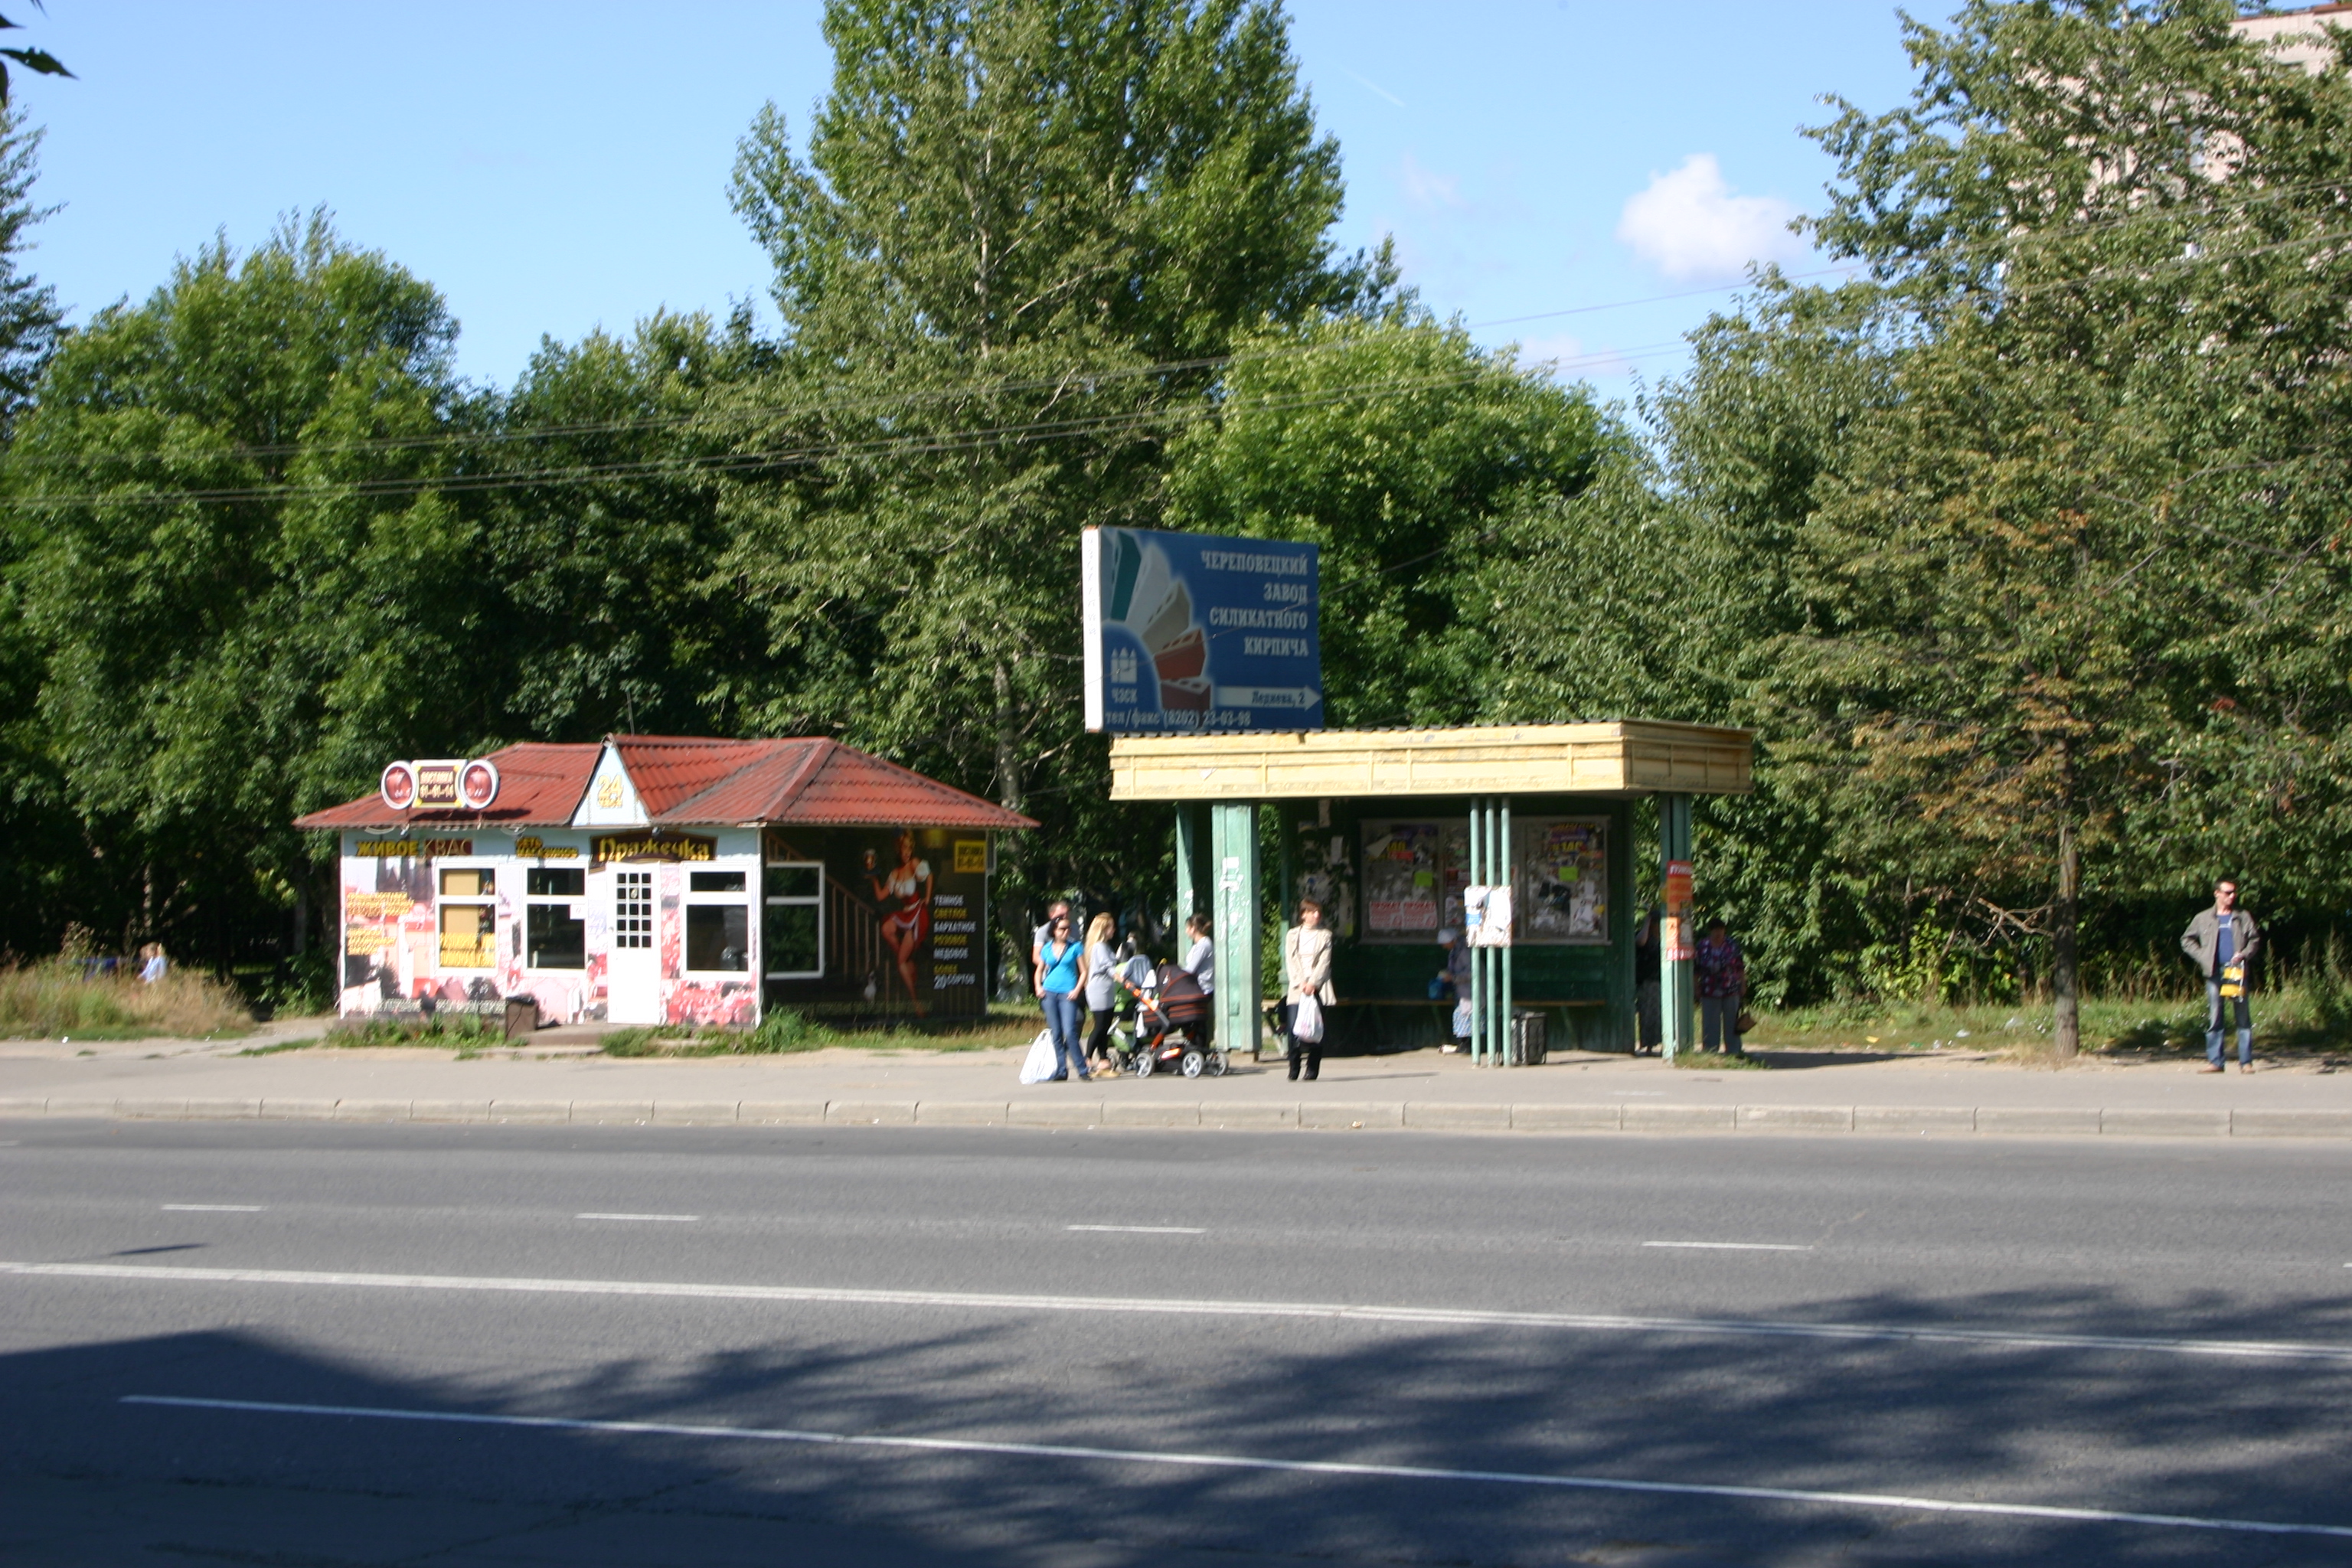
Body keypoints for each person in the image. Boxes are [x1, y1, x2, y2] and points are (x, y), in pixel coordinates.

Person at [2181, 877, 2262, 1073]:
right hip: (2213, 971)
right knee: (2215, 1017)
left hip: (2236, 971)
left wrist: (2244, 954)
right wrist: (2202, 956)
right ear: (2217, 893)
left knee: (2242, 1017)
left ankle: (2246, 1062)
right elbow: (2186, 940)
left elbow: (2255, 939)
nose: (2232, 896)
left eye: (2234, 892)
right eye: (2228, 892)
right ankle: (2216, 1061)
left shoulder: (2242, 916)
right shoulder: (2203, 918)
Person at [867, 828, 933, 1014]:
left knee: (899, 963)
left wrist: (927, 897)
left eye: (909, 849)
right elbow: (880, 896)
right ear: (899, 849)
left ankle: (916, 1003)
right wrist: (873, 877)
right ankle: (907, 960)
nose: (907, 852)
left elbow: (929, 876)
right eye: (904, 849)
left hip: (917, 916)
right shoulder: (895, 873)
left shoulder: (914, 864)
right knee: (886, 928)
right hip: (904, 914)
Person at [1282, 897, 1335, 1081]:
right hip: (1298, 989)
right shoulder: (1292, 935)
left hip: (1318, 989)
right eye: (1313, 912)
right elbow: (1291, 960)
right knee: (1293, 1030)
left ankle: (1312, 1069)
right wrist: (1301, 983)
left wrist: (1313, 983)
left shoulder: (1325, 935)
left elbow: (1324, 962)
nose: (1317, 915)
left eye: (1318, 912)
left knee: (1315, 1031)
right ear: (1303, 914)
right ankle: (1294, 1066)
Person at [1032, 912, 1091, 1081]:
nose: (1066, 932)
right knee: (1056, 1033)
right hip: (1049, 993)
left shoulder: (1075, 947)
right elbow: (1039, 971)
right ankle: (1061, 1070)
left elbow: (1084, 971)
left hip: (1068, 993)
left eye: (1068, 928)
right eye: (1062, 929)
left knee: (1070, 1031)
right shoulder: (1047, 948)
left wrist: (1077, 990)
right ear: (1054, 931)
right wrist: (1038, 987)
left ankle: (1082, 1069)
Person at [1694, 918, 1746, 1055]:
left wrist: (1743, 985)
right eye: (1716, 930)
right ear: (1710, 931)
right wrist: (1697, 987)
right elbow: (1696, 970)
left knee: (1732, 1022)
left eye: (1721, 930)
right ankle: (1711, 1051)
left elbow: (1740, 967)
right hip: (1709, 989)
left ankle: (1734, 1050)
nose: (1719, 933)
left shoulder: (1732, 945)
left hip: (1731, 988)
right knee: (1710, 1022)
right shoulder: (1702, 946)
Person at [1081, 912, 1122, 1072]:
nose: (1114, 930)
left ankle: (1104, 1058)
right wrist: (1121, 978)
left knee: (1106, 1025)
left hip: (1108, 990)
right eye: (1111, 927)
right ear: (1103, 929)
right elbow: (1108, 968)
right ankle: (1088, 1058)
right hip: (1098, 990)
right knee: (1100, 1025)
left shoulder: (1105, 946)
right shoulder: (1098, 947)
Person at [1178, 912, 1214, 1046]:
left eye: (1188, 927)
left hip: (1202, 989)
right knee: (1196, 1021)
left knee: (1193, 1020)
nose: (1186, 931)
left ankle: (1198, 1047)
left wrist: (1177, 975)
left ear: (1193, 928)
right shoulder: (1200, 944)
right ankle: (1195, 1045)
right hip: (1200, 988)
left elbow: (1191, 969)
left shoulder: (1203, 945)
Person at [1432, 927, 1471, 1053]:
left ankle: (1467, 1045)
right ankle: (1464, 1044)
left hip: (1470, 991)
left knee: (1465, 1015)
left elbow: (1471, 972)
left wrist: (1453, 977)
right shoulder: (1454, 952)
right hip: (1462, 990)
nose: (1444, 946)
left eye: (1445, 943)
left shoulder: (1464, 952)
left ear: (1452, 940)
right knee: (1461, 1015)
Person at [1634, 906, 1662, 1054]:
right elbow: (1640, 942)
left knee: (1658, 1015)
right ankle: (1647, 1045)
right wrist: (1647, 922)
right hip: (1646, 981)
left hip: (1660, 981)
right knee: (1646, 1014)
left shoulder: (1665, 938)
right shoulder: (1647, 938)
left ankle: (1658, 1044)